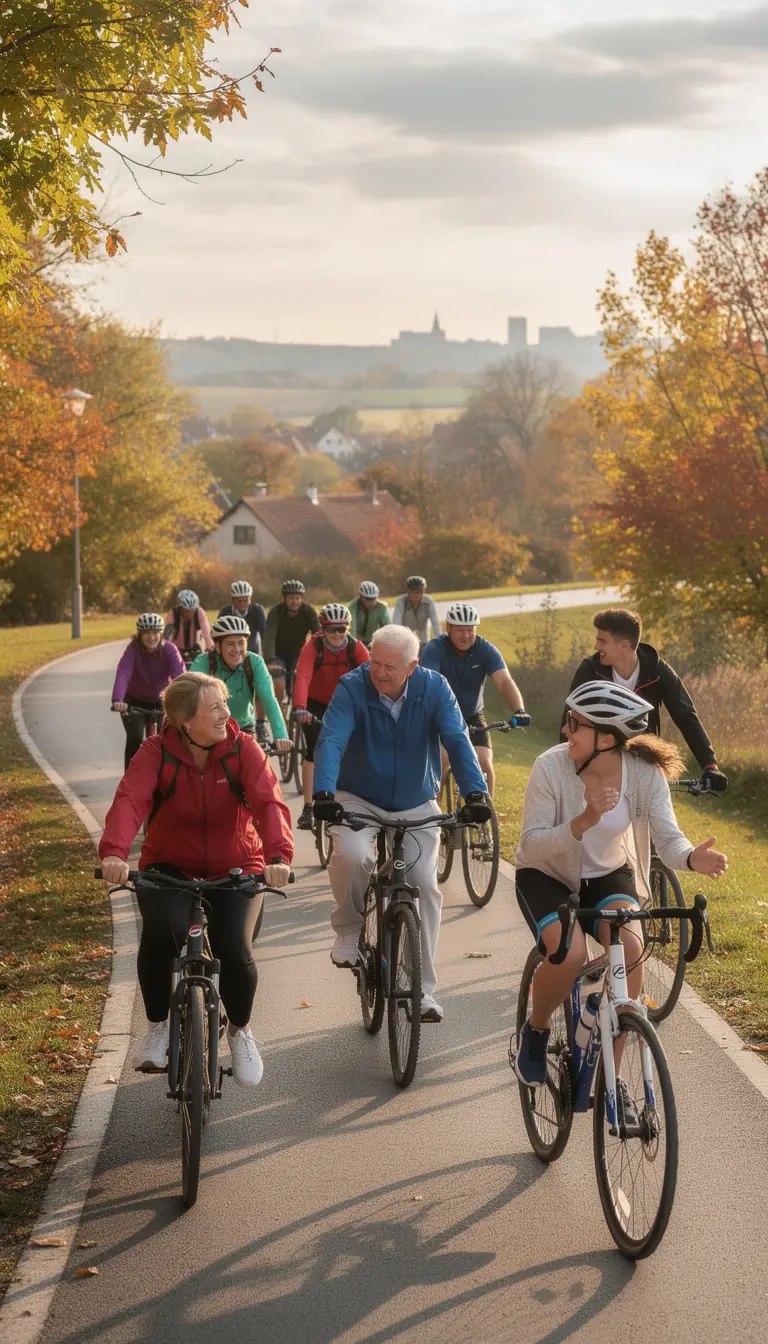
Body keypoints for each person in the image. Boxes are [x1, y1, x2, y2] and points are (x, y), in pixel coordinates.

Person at [514, 680, 727, 1097]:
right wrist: (582, 822)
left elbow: (669, 839)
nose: (565, 730)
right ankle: (536, 1031)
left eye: (575, 723)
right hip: (546, 875)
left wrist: (690, 858)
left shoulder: (644, 774)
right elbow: (530, 845)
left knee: (631, 947)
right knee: (570, 954)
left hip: (608, 874)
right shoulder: (550, 767)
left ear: (607, 738)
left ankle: (611, 1082)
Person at [98, 672, 294, 1087]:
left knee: (234, 950)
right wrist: (114, 852)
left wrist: (278, 856)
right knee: (160, 936)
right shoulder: (155, 753)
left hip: (237, 867)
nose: (226, 713)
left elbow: (269, 803)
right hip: (168, 868)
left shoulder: (243, 749)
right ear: (186, 721)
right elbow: (130, 800)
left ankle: (240, 1030)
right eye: (215, 707)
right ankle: (158, 1026)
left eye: (224, 703)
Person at [312, 625, 490, 1023]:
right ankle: (349, 928)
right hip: (358, 794)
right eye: (374, 662)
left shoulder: (435, 688)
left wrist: (476, 794)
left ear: (412, 665)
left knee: (424, 883)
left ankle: (421, 990)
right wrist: (323, 792)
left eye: (389, 667)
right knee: (352, 855)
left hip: (415, 798)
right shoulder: (352, 686)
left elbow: (457, 739)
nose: (378, 672)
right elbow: (332, 739)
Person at [566, 609, 727, 793]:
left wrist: (710, 765)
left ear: (624, 644)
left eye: (602, 641)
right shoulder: (590, 670)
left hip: (644, 764)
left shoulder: (657, 671)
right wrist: (567, 770)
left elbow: (686, 717)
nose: (596, 646)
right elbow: (570, 719)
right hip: (598, 764)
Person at [420, 601, 530, 796]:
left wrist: (519, 710)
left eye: (470, 630)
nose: (466, 635)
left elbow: (504, 682)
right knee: (443, 759)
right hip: (441, 714)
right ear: (448, 628)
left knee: (485, 763)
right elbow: (429, 684)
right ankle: (434, 809)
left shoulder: (485, 649)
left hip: (472, 715)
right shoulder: (435, 648)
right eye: (460, 630)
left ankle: (487, 811)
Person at [292, 603, 370, 830]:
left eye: (341, 629)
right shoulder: (313, 647)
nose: (336, 635)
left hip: (344, 703)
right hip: (315, 703)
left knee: (355, 745)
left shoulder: (356, 647)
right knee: (314, 748)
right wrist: (300, 707)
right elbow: (303, 676)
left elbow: (371, 676)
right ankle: (308, 806)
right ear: (322, 630)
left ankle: (355, 798)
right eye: (331, 630)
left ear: (348, 628)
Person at [189, 614, 290, 754]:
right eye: (230, 643)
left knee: (253, 765)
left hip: (243, 727)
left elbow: (269, 700)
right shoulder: (204, 662)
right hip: (210, 727)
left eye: (241, 643)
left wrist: (281, 735)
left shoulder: (255, 663)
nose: (237, 649)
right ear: (218, 647)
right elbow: (189, 695)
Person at [111, 614, 185, 770]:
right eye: (146, 633)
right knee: (135, 739)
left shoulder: (169, 649)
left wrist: (183, 698)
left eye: (155, 633)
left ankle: (167, 776)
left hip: (162, 701)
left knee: (168, 740)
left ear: (161, 633)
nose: (151, 637)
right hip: (133, 702)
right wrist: (118, 699)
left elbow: (180, 676)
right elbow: (124, 672)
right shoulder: (133, 649)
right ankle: (130, 780)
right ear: (139, 634)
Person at [263, 580, 320, 704]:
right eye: (291, 598)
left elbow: (318, 635)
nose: (294, 601)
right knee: (278, 684)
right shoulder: (276, 612)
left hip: (299, 654)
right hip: (277, 655)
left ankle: (297, 710)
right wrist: (270, 661)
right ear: (284, 599)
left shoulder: (309, 611)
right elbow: (269, 636)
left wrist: (319, 656)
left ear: (302, 599)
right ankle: (279, 711)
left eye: (297, 598)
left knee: (299, 685)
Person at [163, 589, 213, 666]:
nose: (190, 613)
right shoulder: (173, 614)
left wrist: (209, 647)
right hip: (176, 649)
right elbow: (167, 634)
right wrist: (166, 650)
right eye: (187, 610)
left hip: (194, 649)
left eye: (193, 610)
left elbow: (206, 632)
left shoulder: (199, 612)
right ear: (180, 608)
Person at [218, 580, 267, 655]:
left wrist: (268, 657)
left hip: (252, 649)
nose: (242, 603)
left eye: (246, 600)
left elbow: (265, 634)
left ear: (250, 599)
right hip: (231, 651)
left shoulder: (258, 611)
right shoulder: (225, 612)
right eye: (239, 601)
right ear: (233, 600)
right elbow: (218, 635)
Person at [392, 575, 441, 647]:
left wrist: (439, 642)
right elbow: (396, 623)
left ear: (423, 592)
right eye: (413, 592)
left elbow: (435, 623)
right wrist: (397, 640)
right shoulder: (401, 601)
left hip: (423, 641)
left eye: (418, 592)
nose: (416, 595)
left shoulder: (429, 602)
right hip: (405, 641)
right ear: (408, 592)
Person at [348, 581, 390, 647]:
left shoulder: (381, 607)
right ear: (361, 597)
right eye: (367, 599)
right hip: (358, 642)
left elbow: (388, 628)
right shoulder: (353, 607)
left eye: (373, 599)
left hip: (374, 641)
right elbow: (352, 630)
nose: (371, 602)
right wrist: (354, 646)